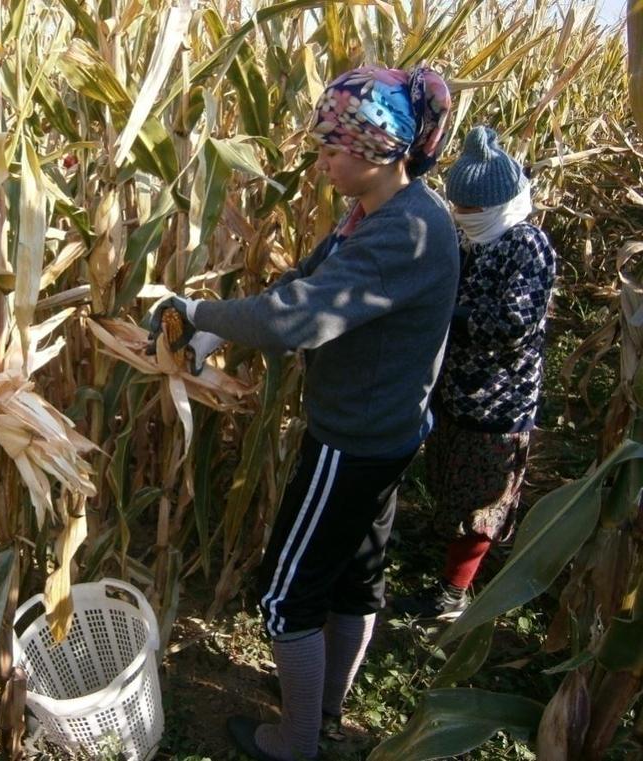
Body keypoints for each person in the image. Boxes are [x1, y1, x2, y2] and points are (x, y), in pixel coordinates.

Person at [150, 66, 457, 761]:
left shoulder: (404, 234)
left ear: (377, 149)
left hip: (351, 443)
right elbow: (309, 281)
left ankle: (294, 740)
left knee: (287, 596)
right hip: (388, 434)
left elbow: (300, 320)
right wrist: (220, 329)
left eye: (329, 150)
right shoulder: (380, 213)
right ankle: (323, 709)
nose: (319, 164)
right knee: (355, 578)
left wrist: (195, 309)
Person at [392, 126, 557, 620]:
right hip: (457, 389)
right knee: (450, 473)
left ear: (500, 206)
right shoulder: (475, 241)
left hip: (498, 401)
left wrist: (447, 316)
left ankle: (452, 594)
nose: (463, 218)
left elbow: (514, 322)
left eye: (472, 211)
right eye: (458, 209)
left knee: (482, 499)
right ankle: (444, 539)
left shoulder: (526, 245)